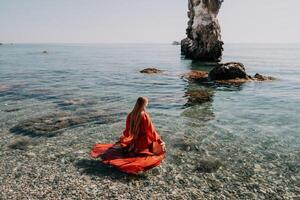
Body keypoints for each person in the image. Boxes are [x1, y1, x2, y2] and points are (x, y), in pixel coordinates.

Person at [90, 97, 166, 174]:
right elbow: (152, 131)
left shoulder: (130, 115)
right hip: (144, 142)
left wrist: (125, 137)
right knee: (158, 150)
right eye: (147, 103)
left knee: (129, 146)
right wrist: (160, 141)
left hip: (135, 141)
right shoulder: (145, 116)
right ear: (144, 104)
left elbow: (127, 131)